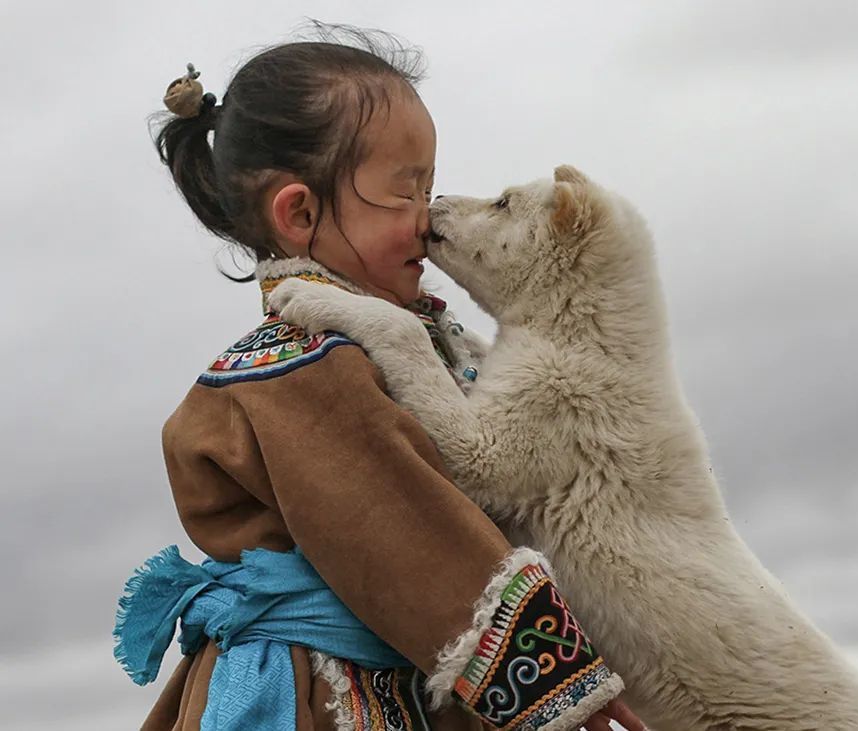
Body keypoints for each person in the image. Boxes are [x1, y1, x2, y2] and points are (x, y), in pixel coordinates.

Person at [114, 26, 644, 731]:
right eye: (405, 191)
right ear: (299, 213)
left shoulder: (390, 344)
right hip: (320, 693)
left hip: (409, 662)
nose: (428, 219)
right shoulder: (304, 365)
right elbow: (403, 532)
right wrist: (557, 685)